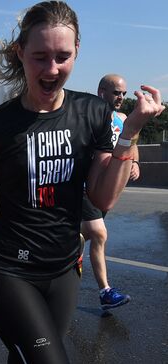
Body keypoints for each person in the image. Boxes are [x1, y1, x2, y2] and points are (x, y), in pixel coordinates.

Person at [0, 2, 164, 364]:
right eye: (40, 57)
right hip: (10, 272)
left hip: (66, 270)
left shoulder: (93, 113)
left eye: (62, 57)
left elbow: (102, 198)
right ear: (20, 53)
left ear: (77, 52)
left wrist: (130, 133)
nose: (52, 69)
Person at [81, 74, 137, 310]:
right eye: (117, 92)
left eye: (124, 93)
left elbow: (132, 143)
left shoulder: (123, 118)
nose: (121, 98)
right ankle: (105, 291)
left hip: (107, 186)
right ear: (102, 92)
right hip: (86, 185)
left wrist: (135, 163)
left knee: (81, 237)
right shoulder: (89, 114)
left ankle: (52, 275)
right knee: (99, 233)